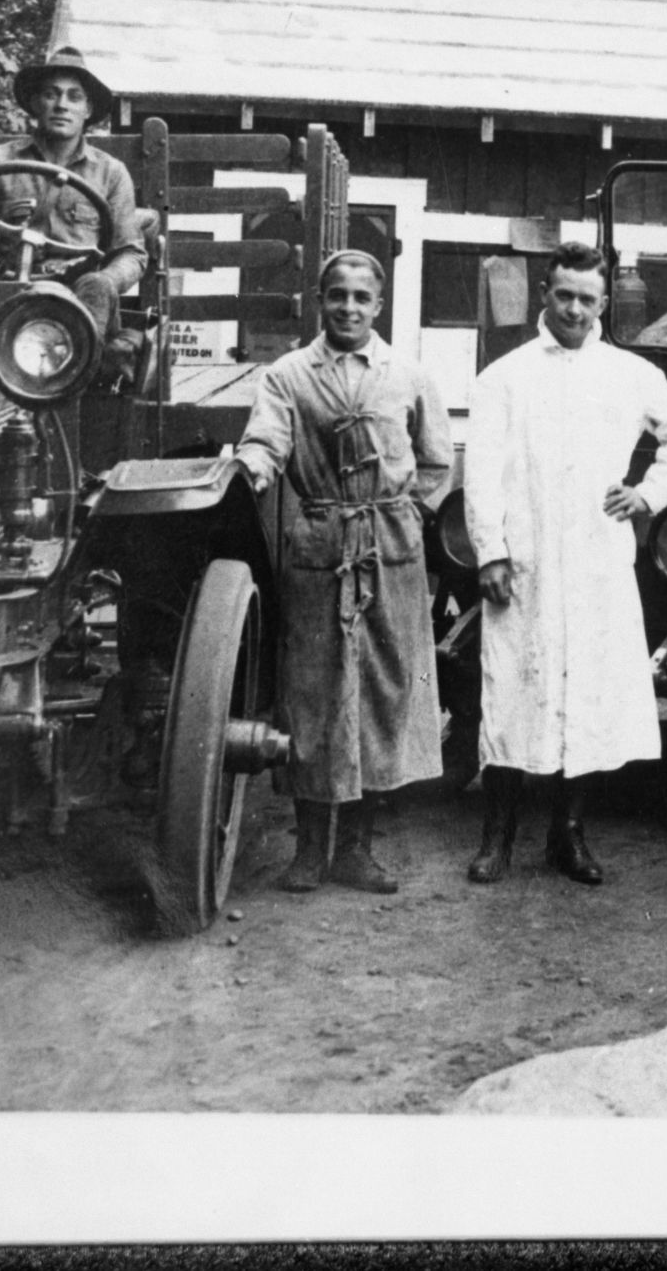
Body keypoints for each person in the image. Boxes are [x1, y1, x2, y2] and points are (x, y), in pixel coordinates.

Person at [461, 243, 667, 886]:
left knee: (590, 696)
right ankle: (498, 837)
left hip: (597, 561)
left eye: (587, 299)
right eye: (564, 294)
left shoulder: (628, 373)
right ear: (546, 292)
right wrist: (490, 550)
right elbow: (481, 473)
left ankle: (567, 835)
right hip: (527, 565)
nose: (574, 309)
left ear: (603, 304)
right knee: (512, 691)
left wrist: (647, 494)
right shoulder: (504, 377)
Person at [231, 251, 453, 895]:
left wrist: (407, 515)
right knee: (314, 695)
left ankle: (358, 848)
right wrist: (253, 464)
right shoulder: (289, 375)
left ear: (379, 305)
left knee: (382, 696)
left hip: (390, 551)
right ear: (319, 303)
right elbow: (266, 439)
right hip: (319, 548)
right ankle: (308, 848)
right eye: (336, 296)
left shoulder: (407, 375)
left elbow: (437, 463)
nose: (348, 308)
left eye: (361, 297)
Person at [0, 44, 149, 346]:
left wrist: (106, 281)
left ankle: (73, 373)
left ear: (88, 110)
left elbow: (131, 253)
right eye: (51, 94)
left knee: (93, 294)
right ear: (34, 103)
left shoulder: (110, 172)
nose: (62, 105)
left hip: (80, 301)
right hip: (9, 292)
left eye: (74, 96)